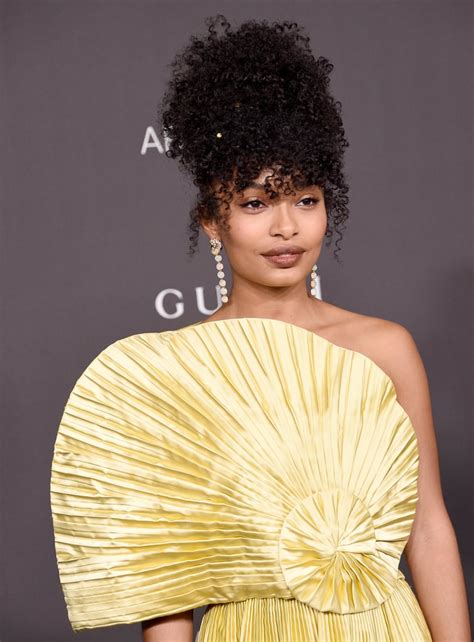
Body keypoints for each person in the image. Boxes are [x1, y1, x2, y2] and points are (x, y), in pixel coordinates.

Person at [50, 14, 471, 642]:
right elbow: (170, 579)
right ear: (212, 222)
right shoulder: (177, 373)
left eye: (305, 199)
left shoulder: (386, 348)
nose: (286, 227)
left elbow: (428, 525)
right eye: (255, 203)